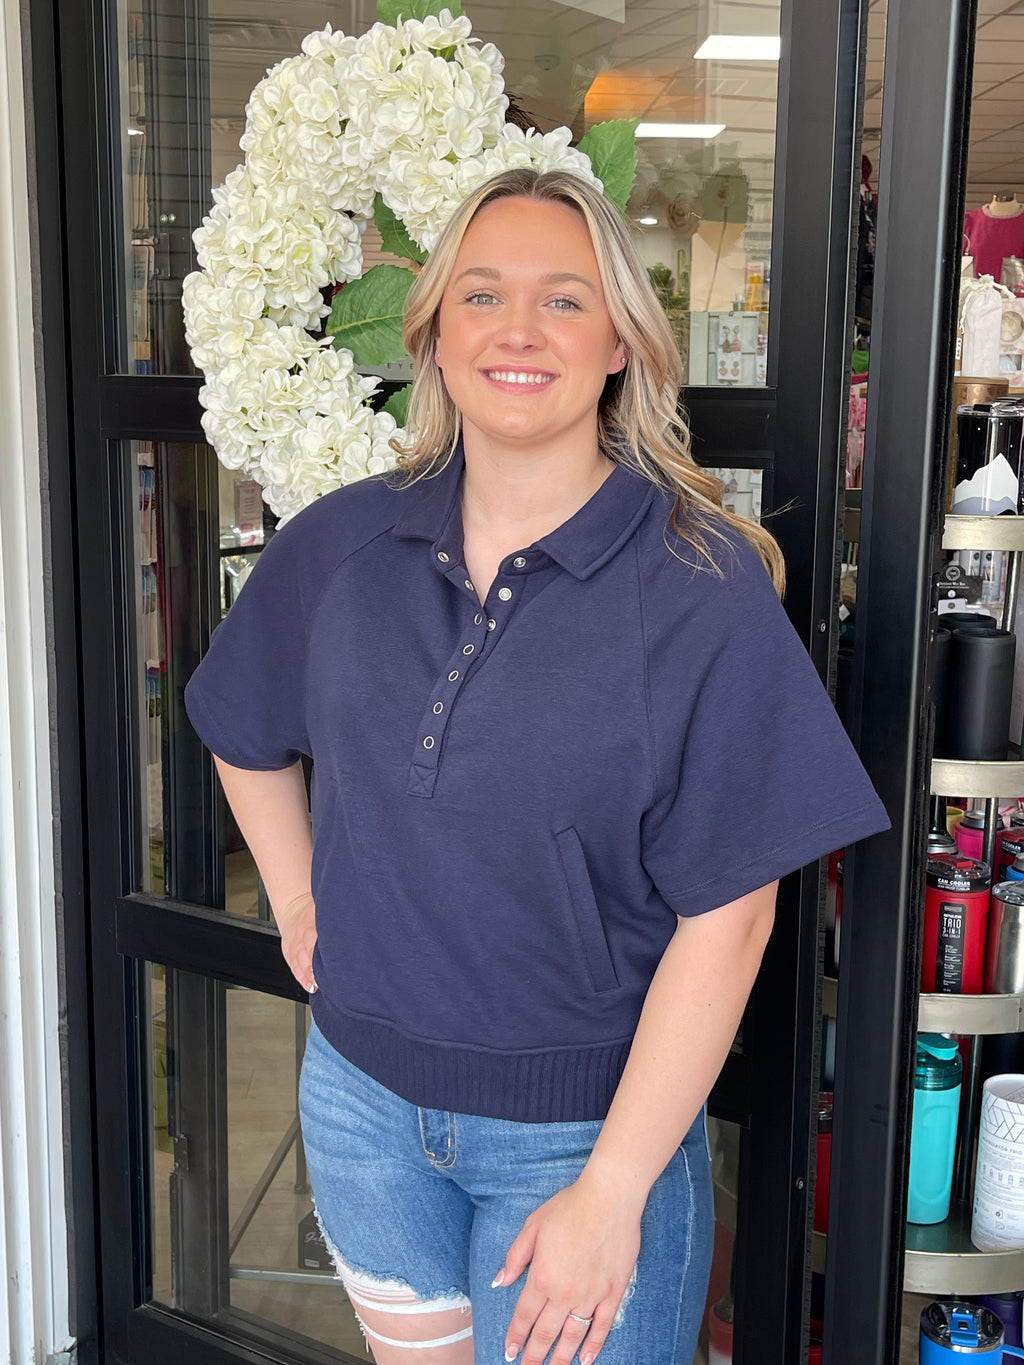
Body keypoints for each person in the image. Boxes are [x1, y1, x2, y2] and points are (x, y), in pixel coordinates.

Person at [184, 168, 889, 1365]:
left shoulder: (701, 588)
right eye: (482, 295)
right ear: (435, 336)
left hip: (581, 1136)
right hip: (359, 1107)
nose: (518, 330)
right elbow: (239, 728)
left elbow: (730, 921)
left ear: (619, 340)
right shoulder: (342, 543)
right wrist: (299, 894)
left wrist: (613, 1192)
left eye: (563, 301)